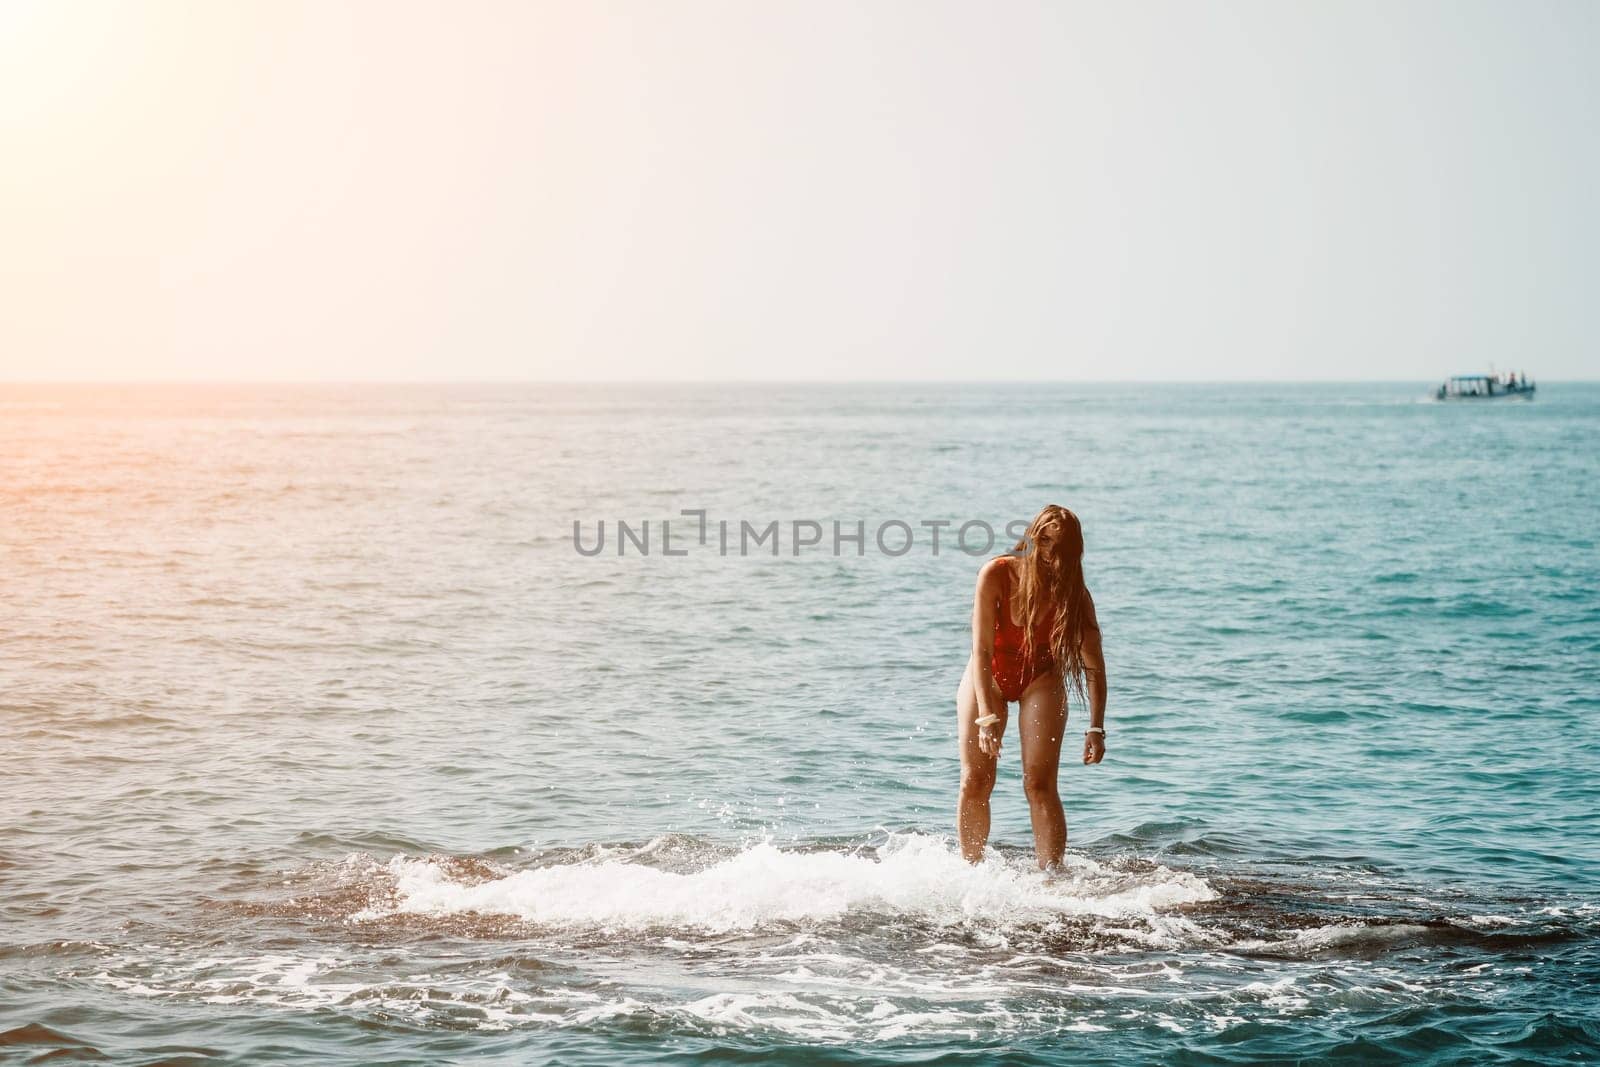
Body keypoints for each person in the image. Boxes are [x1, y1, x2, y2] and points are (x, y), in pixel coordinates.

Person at [955, 504, 1107, 868]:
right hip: (987, 674)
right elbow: (980, 650)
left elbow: (1094, 667)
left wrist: (1096, 727)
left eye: (1060, 551)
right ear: (1033, 539)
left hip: (1041, 678)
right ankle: (970, 871)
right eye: (1045, 544)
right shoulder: (996, 573)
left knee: (1039, 785)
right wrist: (987, 716)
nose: (1051, 557)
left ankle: (1052, 878)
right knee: (976, 779)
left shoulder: (1075, 597)